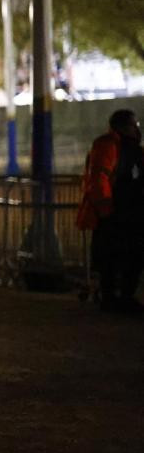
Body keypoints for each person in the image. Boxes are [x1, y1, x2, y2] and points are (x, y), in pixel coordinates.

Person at [77, 109, 144, 313]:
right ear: (123, 127)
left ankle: (119, 296)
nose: (136, 129)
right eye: (134, 125)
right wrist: (106, 209)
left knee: (126, 256)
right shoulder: (109, 146)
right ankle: (114, 298)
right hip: (115, 213)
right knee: (114, 257)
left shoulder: (129, 148)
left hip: (127, 212)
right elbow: (99, 179)